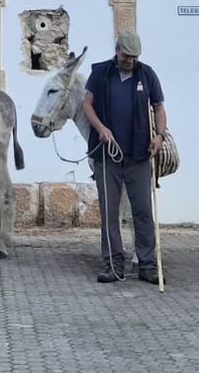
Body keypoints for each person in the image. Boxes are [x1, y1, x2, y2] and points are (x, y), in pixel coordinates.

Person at [81, 29, 167, 284]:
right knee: (109, 212)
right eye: (127, 56)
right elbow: (87, 104)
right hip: (107, 156)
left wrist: (159, 136)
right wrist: (101, 128)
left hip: (139, 154)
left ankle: (147, 265)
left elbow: (159, 107)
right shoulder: (100, 73)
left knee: (142, 211)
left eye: (134, 57)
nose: (131, 61)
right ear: (117, 50)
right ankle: (113, 264)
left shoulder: (147, 74)